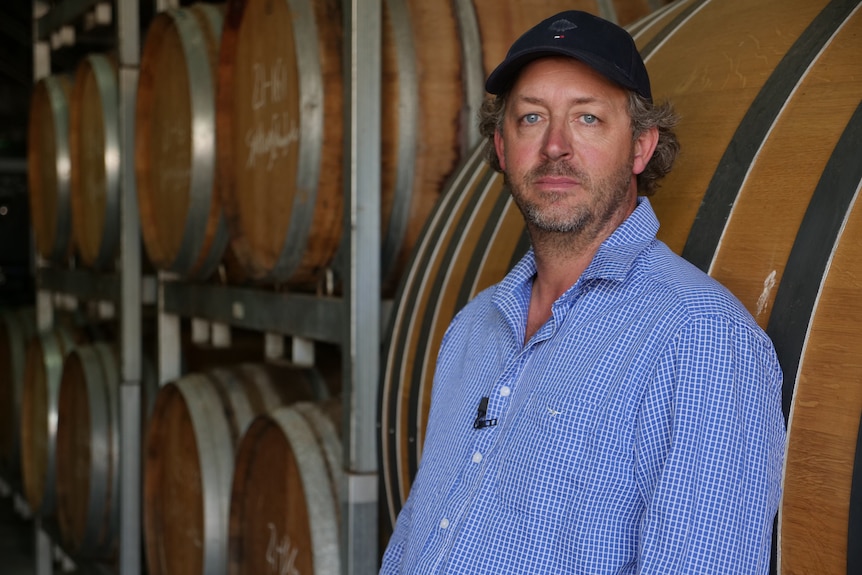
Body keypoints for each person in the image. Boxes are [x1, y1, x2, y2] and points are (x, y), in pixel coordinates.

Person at [380, 10, 786, 575]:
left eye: (588, 118)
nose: (554, 146)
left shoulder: (702, 341)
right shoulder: (473, 329)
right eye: (530, 118)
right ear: (501, 148)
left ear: (641, 147)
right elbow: (416, 539)